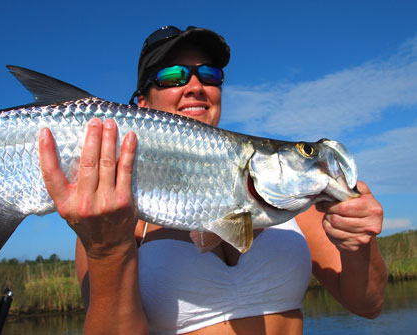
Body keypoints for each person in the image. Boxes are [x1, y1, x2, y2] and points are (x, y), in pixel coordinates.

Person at [38, 26, 388, 334]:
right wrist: (108, 250)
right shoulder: (107, 212)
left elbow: (368, 305)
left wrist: (358, 243)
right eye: (173, 75)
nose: (195, 86)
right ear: (142, 103)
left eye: (209, 74)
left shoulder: (295, 201)